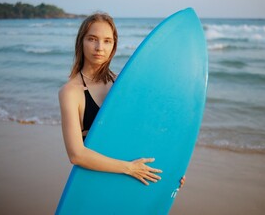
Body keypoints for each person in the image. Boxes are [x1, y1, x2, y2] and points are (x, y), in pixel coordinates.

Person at [59, 12, 185, 187]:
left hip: (132, 178)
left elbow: (146, 130)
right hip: (96, 179)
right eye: (92, 39)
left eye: (107, 41)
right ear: (81, 41)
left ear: (114, 45)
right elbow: (76, 154)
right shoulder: (71, 92)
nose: (99, 47)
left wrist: (170, 172)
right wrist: (129, 168)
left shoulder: (124, 84)